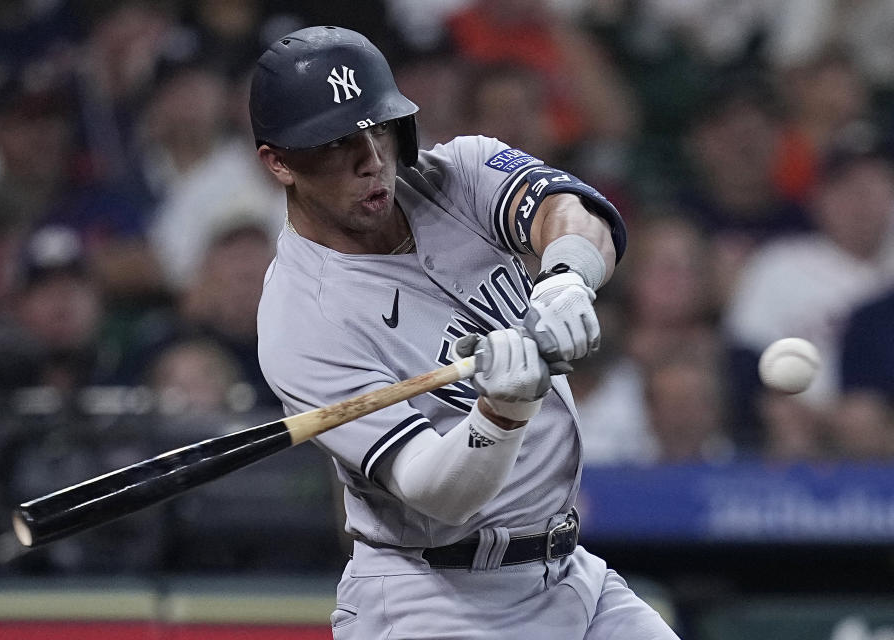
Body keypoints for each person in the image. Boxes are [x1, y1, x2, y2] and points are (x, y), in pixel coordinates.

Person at [252, 27, 678, 639]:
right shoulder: (299, 321)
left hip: (570, 572)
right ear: (279, 162)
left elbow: (575, 211)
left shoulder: (460, 171)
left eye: (378, 128)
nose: (371, 159)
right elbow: (435, 491)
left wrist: (566, 278)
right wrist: (500, 413)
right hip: (436, 599)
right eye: (335, 143)